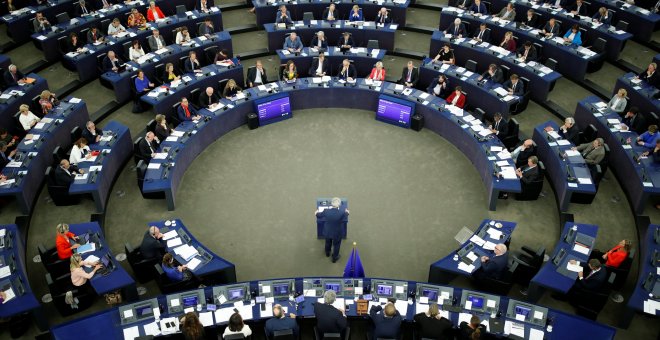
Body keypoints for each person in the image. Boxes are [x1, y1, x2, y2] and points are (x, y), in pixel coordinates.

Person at [315, 197, 349, 262]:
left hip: (327, 232)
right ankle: (335, 258)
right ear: (339, 205)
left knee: (327, 242)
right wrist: (347, 212)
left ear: (331, 204)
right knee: (337, 245)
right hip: (337, 233)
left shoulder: (326, 211)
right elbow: (347, 214)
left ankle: (327, 253)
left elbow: (318, 215)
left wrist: (316, 212)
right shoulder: (342, 212)